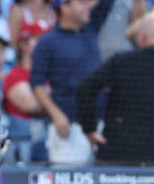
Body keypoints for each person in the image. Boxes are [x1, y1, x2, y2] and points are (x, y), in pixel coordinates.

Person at [76, 13, 154, 164]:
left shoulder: (122, 62)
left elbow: (85, 89)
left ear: (143, 37)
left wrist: (89, 129)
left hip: (119, 155)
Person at [29, 0, 104, 166]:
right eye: (81, 3)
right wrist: (55, 114)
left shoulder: (91, 30)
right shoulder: (48, 41)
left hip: (99, 122)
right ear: (64, 6)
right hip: (70, 126)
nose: (87, 7)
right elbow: (36, 82)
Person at [2, 20, 48, 164]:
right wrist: (56, 98)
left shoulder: (48, 74)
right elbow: (31, 105)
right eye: (38, 39)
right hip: (21, 146)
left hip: (46, 143)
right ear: (24, 44)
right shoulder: (15, 74)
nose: (45, 44)